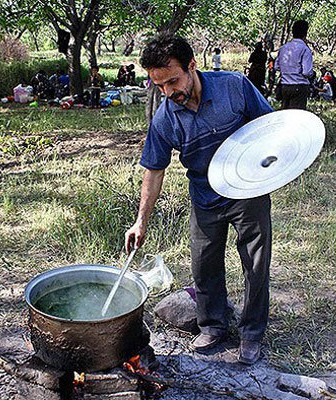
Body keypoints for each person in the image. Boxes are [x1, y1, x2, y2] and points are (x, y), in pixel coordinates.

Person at [124, 35, 274, 365]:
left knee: (256, 264)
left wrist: (270, 165)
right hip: (205, 196)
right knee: (204, 265)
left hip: (248, 191)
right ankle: (213, 325)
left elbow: (269, 126)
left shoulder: (234, 86)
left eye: (172, 81)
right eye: (159, 85)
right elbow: (154, 170)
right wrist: (141, 221)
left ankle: (251, 334)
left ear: (192, 66)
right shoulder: (165, 117)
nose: (168, 92)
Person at [275, 20, 313, 110]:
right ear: (306, 33)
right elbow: (307, 72)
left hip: (285, 86)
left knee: (285, 113)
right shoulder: (305, 49)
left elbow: (276, 66)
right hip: (299, 86)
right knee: (296, 115)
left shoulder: (284, 48)